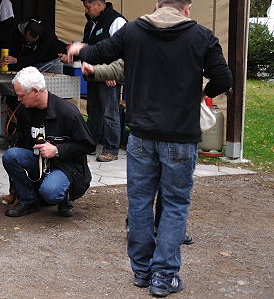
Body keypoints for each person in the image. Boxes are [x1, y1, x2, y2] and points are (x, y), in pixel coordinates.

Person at [70, 0, 231, 296]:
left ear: (158, 5)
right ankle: (164, 275)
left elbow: (97, 51)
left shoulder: (133, 31)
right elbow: (223, 78)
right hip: (181, 137)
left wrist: (78, 50)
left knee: (140, 203)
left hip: (141, 136)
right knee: (174, 205)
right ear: (187, 9)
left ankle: (142, 272)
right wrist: (201, 93)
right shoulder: (202, 35)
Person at [81, 59, 194, 247]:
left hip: (151, 128)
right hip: (169, 128)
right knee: (167, 185)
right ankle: (162, 231)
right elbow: (221, 78)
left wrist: (96, 69)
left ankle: (147, 231)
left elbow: (119, 62)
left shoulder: (143, 40)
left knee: (146, 186)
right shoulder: (187, 42)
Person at [1, 66, 95, 218]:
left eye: (21, 95)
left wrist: (57, 150)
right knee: (11, 156)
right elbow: (20, 136)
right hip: (38, 161)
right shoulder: (25, 109)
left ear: (35, 91)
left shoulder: (68, 112)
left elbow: (88, 145)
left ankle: (64, 197)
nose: (18, 99)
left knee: (51, 192)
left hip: (66, 166)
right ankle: (28, 201)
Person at [69, 0, 127, 163]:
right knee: (93, 111)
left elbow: (124, 48)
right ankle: (90, 144)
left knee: (110, 112)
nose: (86, 11)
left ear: (99, 5)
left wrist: (113, 72)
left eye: (88, 7)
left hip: (110, 75)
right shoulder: (91, 23)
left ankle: (111, 149)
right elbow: (93, 46)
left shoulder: (117, 21)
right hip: (93, 74)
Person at [0, 17, 66, 74]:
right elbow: (13, 49)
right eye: (27, 40)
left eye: (31, 42)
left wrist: (16, 60)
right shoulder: (18, 30)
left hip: (52, 61)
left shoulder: (47, 35)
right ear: (25, 32)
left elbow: (37, 57)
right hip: (32, 63)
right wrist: (6, 60)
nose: (28, 43)